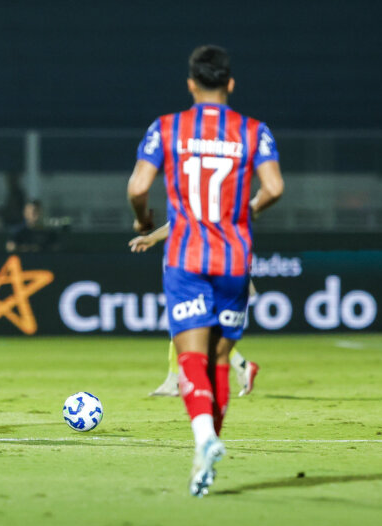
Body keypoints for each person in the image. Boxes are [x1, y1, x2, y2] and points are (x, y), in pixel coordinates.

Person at [127, 45, 284, 497]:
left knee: (191, 355)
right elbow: (275, 187)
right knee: (219, 359)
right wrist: (247, 211)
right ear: (230, 83)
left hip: (187, 257)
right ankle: (205, 458)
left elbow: (138, 186)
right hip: (234, 257)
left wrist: (142, 219)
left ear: (191, 84)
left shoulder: (167, 128)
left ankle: (203, 440)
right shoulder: (254, 130)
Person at [130, 223, 260, 397]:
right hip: (191, 266)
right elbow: (178, 222)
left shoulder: (207, 216)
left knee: (189, 327)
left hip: (198, 271)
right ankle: (175, 381)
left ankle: (240, 366)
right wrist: (152, 238)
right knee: (187, 328)